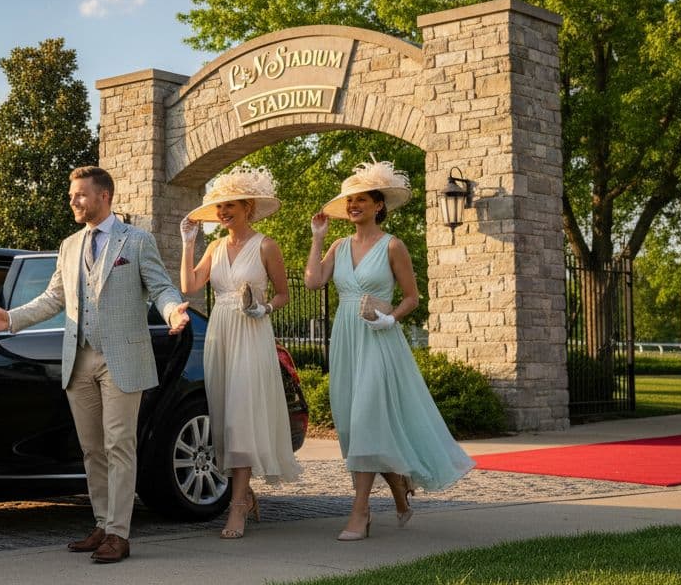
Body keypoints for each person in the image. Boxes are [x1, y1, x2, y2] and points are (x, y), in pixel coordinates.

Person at [0, 166, 190, 564]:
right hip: (80, 358)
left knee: (119, 445)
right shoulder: (70, 245)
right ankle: (102, 523)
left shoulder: (137, 241)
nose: (73, 201)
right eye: (72, 195)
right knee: (92, 449)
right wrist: (12, 319)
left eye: (80, 195)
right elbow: (53, 298)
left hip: (122, 358)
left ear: (104, 196)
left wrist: (172, 311)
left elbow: (161, 287)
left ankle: (119, 535)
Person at [304, 158, 474, 541]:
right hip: (346, 340)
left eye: (361, 200)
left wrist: (391, 318)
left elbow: (412, 298)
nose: (353, 206)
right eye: (350, 201)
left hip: (379, 340)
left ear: (378, 205)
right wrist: (317, 238)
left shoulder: (393, 245)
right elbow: (314, 282)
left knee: (366, 420)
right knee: (351, 425)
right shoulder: (337, 245)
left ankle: (360, 513)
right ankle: (398, 486)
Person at [178, 166, 302, 539]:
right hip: (221, 333)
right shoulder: (215, 247)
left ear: (248, 206)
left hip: (251, 332)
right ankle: (244, 493)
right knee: (225, 416)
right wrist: (188, 243)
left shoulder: (266, 245)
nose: (223, 212)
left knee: (243, 416)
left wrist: (264, 308)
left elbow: (283, 294)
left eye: (230, 205)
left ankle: (236, 507)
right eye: (219, 207)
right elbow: (189, 286)